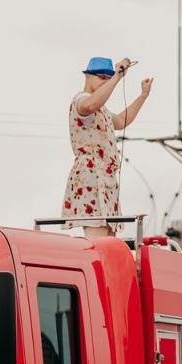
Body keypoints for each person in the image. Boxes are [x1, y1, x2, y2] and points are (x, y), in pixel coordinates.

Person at [62, 56, 153, 239]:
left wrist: (143, 96)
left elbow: (120, 121)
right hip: (91, 175)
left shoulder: (102, 109)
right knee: (97, 236)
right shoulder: (81, 99)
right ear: (88, 76)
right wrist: (117, 77)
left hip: (106, 178)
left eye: (108, 77)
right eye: (101, 77)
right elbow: (90, 105)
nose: (105, 81)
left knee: (108, 237)